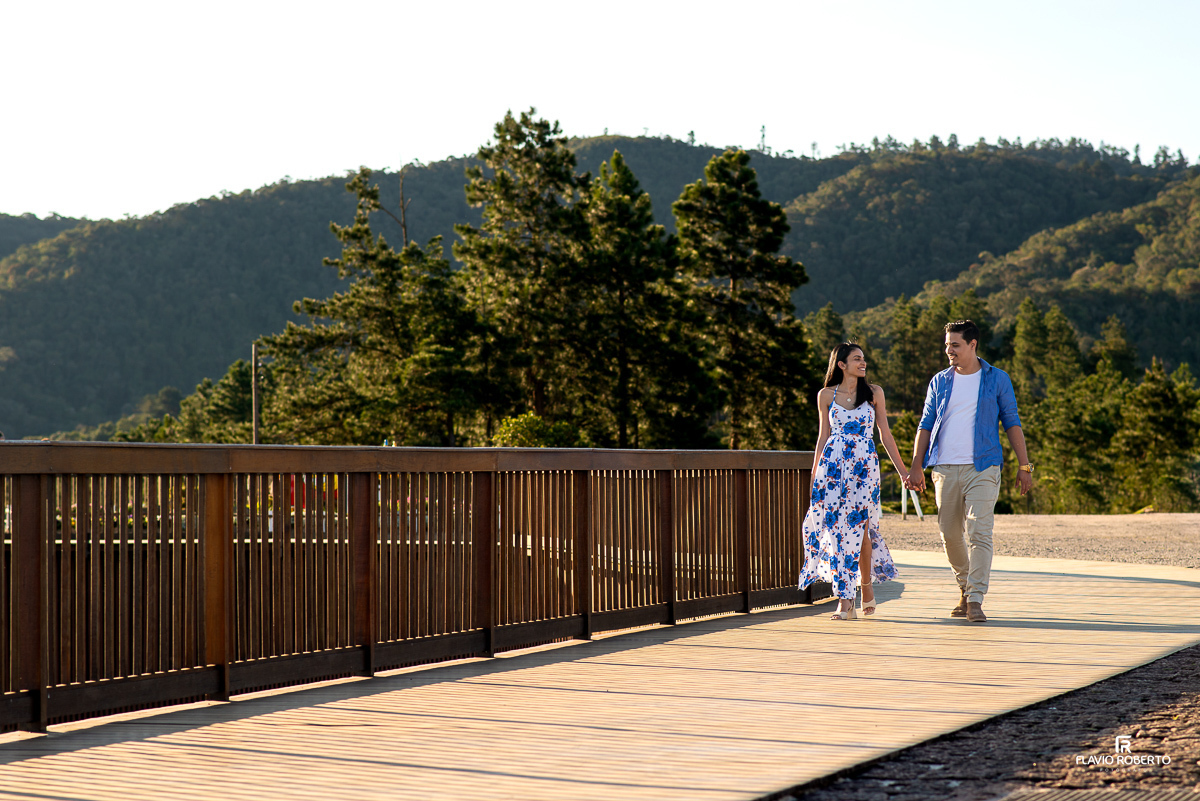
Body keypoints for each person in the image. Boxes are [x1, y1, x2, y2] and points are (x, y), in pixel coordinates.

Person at [906, 320, 1034, 624]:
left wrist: (1024, 465)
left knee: (979, 530)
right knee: (949, 533)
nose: (949, 350)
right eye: (947, 345)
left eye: (955, 345)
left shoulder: (997, 379)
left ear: (972, 344)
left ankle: (975, 598)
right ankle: (964, 587)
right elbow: (925, 425)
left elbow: (1012, 421)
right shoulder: (939, 381)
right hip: (945, 467)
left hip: (984, 465)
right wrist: (916, 464)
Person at [799, 343, 907, 620]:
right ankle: (845, 600)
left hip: (863, 468)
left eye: (864, 359)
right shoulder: (825, 395)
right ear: (841, 364)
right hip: (833, 469)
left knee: (862, 531)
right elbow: (823, 437)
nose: (863, 363)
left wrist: (903, 471)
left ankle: (866, 587)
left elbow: (885, 433)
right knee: (836, 532)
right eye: (857, 359)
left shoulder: (874, 394)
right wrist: (814, 474)